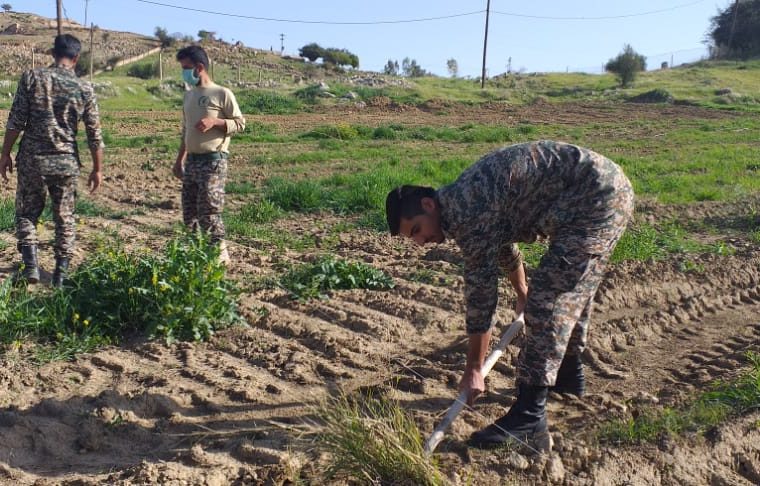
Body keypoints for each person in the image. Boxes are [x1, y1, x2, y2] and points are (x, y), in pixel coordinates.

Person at [386, 140, 634, 451]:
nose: (420, 242)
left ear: (427, 205)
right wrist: (521, 290)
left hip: (596, 200)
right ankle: (569, 379)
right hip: (598, 192)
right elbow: (504, 243)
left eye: (416, 231)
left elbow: (482, 295)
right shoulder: (461, 202)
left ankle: (529, 416)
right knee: (566, 290)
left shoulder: (465, 211)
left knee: (549, 301)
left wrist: (474, 369)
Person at [0, 34, 104, 287]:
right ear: (76, 58)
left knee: (27, 213)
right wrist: (98, 169)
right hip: (66, 162)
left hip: (32, 159)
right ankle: (60, 273)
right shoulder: (84, 88)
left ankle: (31, 267)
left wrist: (4, 153)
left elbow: (16, 121)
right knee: (64, 217)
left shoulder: (32, 78)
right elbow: (94, 134)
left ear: (52, 53)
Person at [173, 45, 245, 263]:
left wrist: (216, 122)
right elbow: (186, 131)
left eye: (187, 68)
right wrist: (179, 161)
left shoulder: (222, 94)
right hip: (192, 163)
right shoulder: (189, 96)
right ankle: (197, 254)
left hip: (213, 162)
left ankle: (219, 255)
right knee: (190, 213)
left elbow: (240, 124)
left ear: (200, 67)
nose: (184, 72)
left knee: (210, 211)